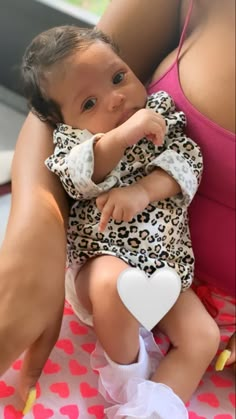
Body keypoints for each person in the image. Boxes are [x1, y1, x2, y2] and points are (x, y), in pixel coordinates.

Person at [0, 0, 235, 416]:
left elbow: (185, 163)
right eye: (88, 104)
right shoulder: (80, 144)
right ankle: (124, 373)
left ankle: (154, 405)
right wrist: (121, 137)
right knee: (114, 287)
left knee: (201, 336)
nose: (114, 98)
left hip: (169, 269)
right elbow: (74, 173)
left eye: (119, 77)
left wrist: (145, 191)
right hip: (107, 255)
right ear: (67, 122)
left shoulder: (161, 117)